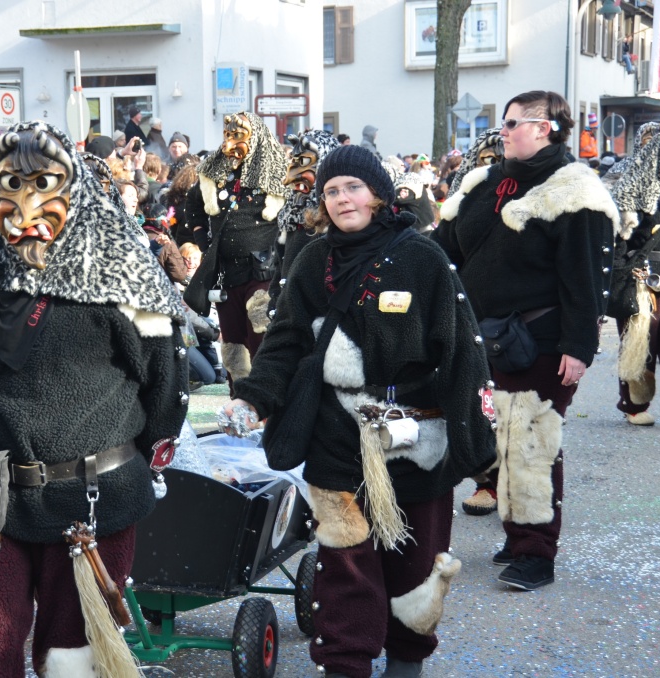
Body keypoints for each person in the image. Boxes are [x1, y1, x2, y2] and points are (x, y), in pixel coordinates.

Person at [0, 121, 187, 676]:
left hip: (92, 497)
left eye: (43, 186)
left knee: (75, 658)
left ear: (73, 189)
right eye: (9, 186)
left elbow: (165, 387)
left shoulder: (125, 275)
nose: (24, 206)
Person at [220, 144, 496, 678]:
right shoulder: (311, 260)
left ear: (378, 193)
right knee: (345, 563)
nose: (343, 198)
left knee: (415, 558)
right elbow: (284, 343)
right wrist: (253, 396)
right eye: (331, 190)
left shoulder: (423, 257)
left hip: (415, 437)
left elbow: (463, 350)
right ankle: (346, 665)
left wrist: (476, 444)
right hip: (336, 435)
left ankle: (406, 662)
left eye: (353, 187)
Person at [433, 90, 618, 590]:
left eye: (514, 122)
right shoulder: (482, 183)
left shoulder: (576, 191)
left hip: (539, 339)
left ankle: (536, 551)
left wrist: (579, 348)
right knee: (495, 440)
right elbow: (440, 252)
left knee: (531, 443)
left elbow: (587, 279)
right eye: (504, 121)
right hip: (477, 338)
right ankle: (518, 536)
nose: (504, 130)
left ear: (546, 128)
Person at [183, 111, 289, 385]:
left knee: (260, 332)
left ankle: (265, 394)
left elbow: (294, 215)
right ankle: (239, 396)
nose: (230, 143)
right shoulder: (214, 170)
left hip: (263, 271)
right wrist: (203, 241)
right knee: (232, 339)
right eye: (227, 135)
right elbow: (193, 204)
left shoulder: (276, 171)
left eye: (237, 135)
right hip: (227, 272)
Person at [609, 131, 660, 429]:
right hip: (642, 278)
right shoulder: (633, 191)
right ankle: (634, 404)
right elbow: (621, 241)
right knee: (641, 344)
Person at [268, 129, 339, 316]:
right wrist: (275, 298)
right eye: (293, 162)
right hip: (289, 311)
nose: (290, 177)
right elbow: (281, 264)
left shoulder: (338, 219)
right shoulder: (291, 213)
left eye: (304, 163)